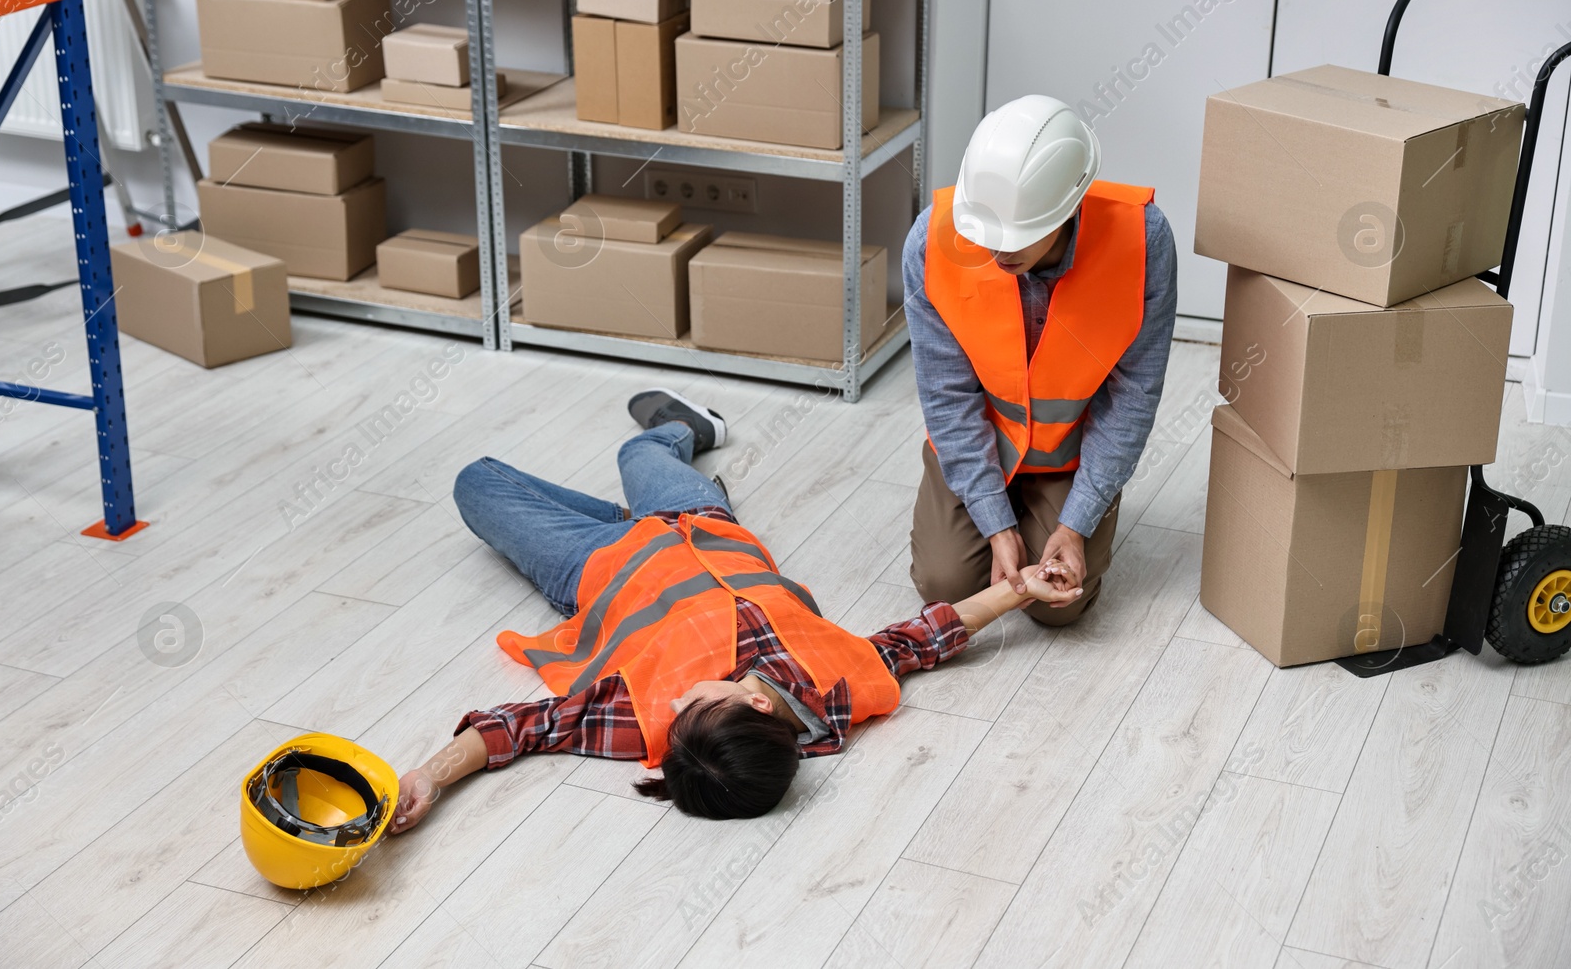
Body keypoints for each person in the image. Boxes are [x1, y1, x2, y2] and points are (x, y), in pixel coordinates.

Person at [390, 389, 1080, 828]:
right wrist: (1025, 587)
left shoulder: (657, 722)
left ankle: (623, 511)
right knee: (640, 446)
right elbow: (927, 635)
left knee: (476, 481)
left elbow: (522, 727)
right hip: (699, 519)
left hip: (598, 562)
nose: (682, 698)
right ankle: (680, 431)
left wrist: (429, 773)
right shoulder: (839, 686)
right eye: (701, 702)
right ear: (755, 707)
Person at [903, 94, 1177, 625]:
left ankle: (1055, 515)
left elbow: (1132, 398)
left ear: (1071, 206)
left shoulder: (1144, 240)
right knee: (947, 585)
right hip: (982, 438)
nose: (1000, 253)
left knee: (1057, 607)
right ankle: (1000, 508)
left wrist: (1075, 524)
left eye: (1021, 233)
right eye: (988, 233)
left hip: (1069, 452)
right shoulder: (932, 241)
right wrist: (994, 523)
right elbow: (946, 395)